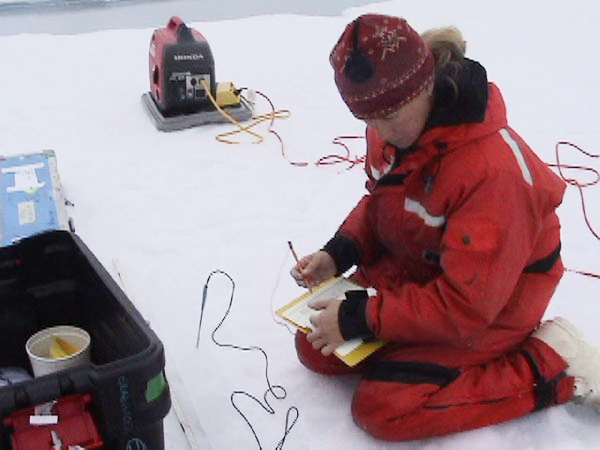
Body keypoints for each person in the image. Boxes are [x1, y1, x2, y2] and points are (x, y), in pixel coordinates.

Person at [290, 13, 600, 441]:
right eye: (368, 118)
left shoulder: (491, 171)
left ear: (424, 86)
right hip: (424, 265)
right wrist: (339, 252)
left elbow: (467, 306)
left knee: (384, 410)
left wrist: (364, 318)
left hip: (494, 301)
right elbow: (382, 204)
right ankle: (405, 351)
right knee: (316, 346)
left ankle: (553, 362)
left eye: (389, 115)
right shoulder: (394, 126)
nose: (378, 131)